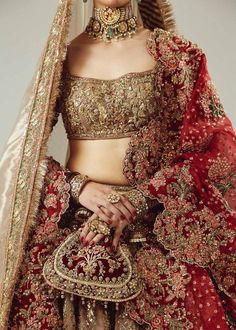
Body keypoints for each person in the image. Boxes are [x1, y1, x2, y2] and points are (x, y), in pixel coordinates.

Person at [0, 0, 235, 329]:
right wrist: (76, 187)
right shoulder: (61, 58)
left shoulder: (175, 54)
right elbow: (24, 154)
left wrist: (139, 199)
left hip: (152, 228)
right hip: (74, 225)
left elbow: (212, 146)